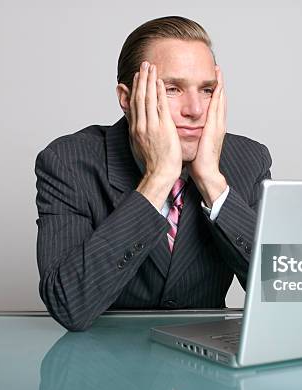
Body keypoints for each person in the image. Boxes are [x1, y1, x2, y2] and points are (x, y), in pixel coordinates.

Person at [35, 16, 272, 331]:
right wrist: (158, 178)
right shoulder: (67, 162)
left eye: (206, 90)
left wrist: (214, 185)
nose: (196, 109)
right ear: (127, 99)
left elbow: (283, 291)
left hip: (202, 365)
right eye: (173, 88)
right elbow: (68, 304)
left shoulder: (249, 160)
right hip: (103, 366)